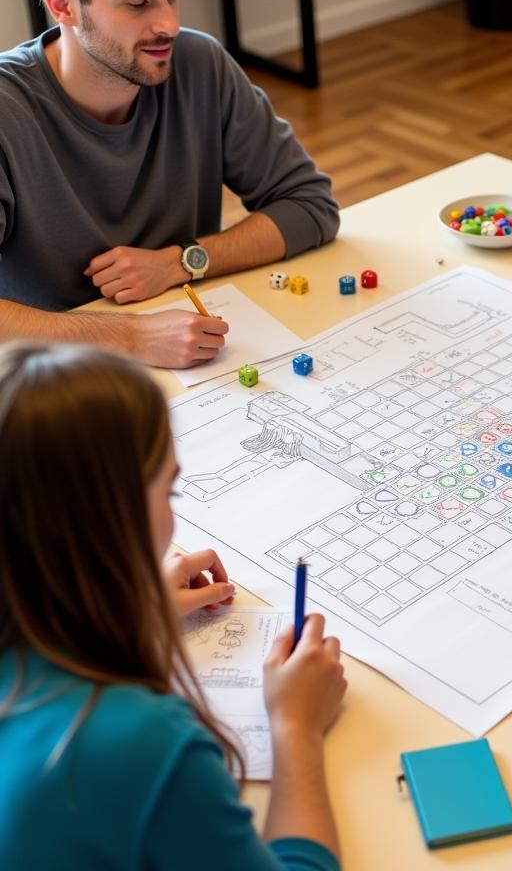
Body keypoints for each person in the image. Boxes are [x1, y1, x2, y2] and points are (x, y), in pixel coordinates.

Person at [0, 343, 348, 870]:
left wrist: (128, 609)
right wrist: (296, 727)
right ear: (111, 524)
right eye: (171, 492)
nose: (173, 519)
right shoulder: (141, 745)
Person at [0, 0, 340, 369]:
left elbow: (310, 207)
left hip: (192, 351)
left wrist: (180, 260)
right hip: (52, 378)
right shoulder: (8, 109)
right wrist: (130, 338)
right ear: (62, 4)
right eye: (139, 3)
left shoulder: (199, 62)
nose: (169, 25)